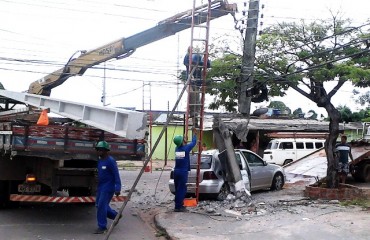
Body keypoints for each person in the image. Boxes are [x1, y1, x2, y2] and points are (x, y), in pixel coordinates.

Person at [94, 141, 122, 234]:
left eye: (101, 150)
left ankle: (102, 227)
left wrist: (118, 188)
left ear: (106, 151)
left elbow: (116, 175)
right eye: (98, 150)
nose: (99, 152)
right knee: (98, 205)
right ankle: (115, 216)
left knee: (102, 206)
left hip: (108, 187)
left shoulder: (110, 161)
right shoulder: (100, 160)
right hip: (101, 187)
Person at [173, 130, 197, 212]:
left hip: (176, 171)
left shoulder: (177, 148)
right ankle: (179, 207)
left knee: (178, 189)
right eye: (183, 139)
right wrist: (195, 135)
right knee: (182, 189)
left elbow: (184, 145)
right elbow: (193, 143)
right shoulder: (186, 148)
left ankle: (177, 205)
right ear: (182, 142)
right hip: (183, 172)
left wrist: (184, 139)